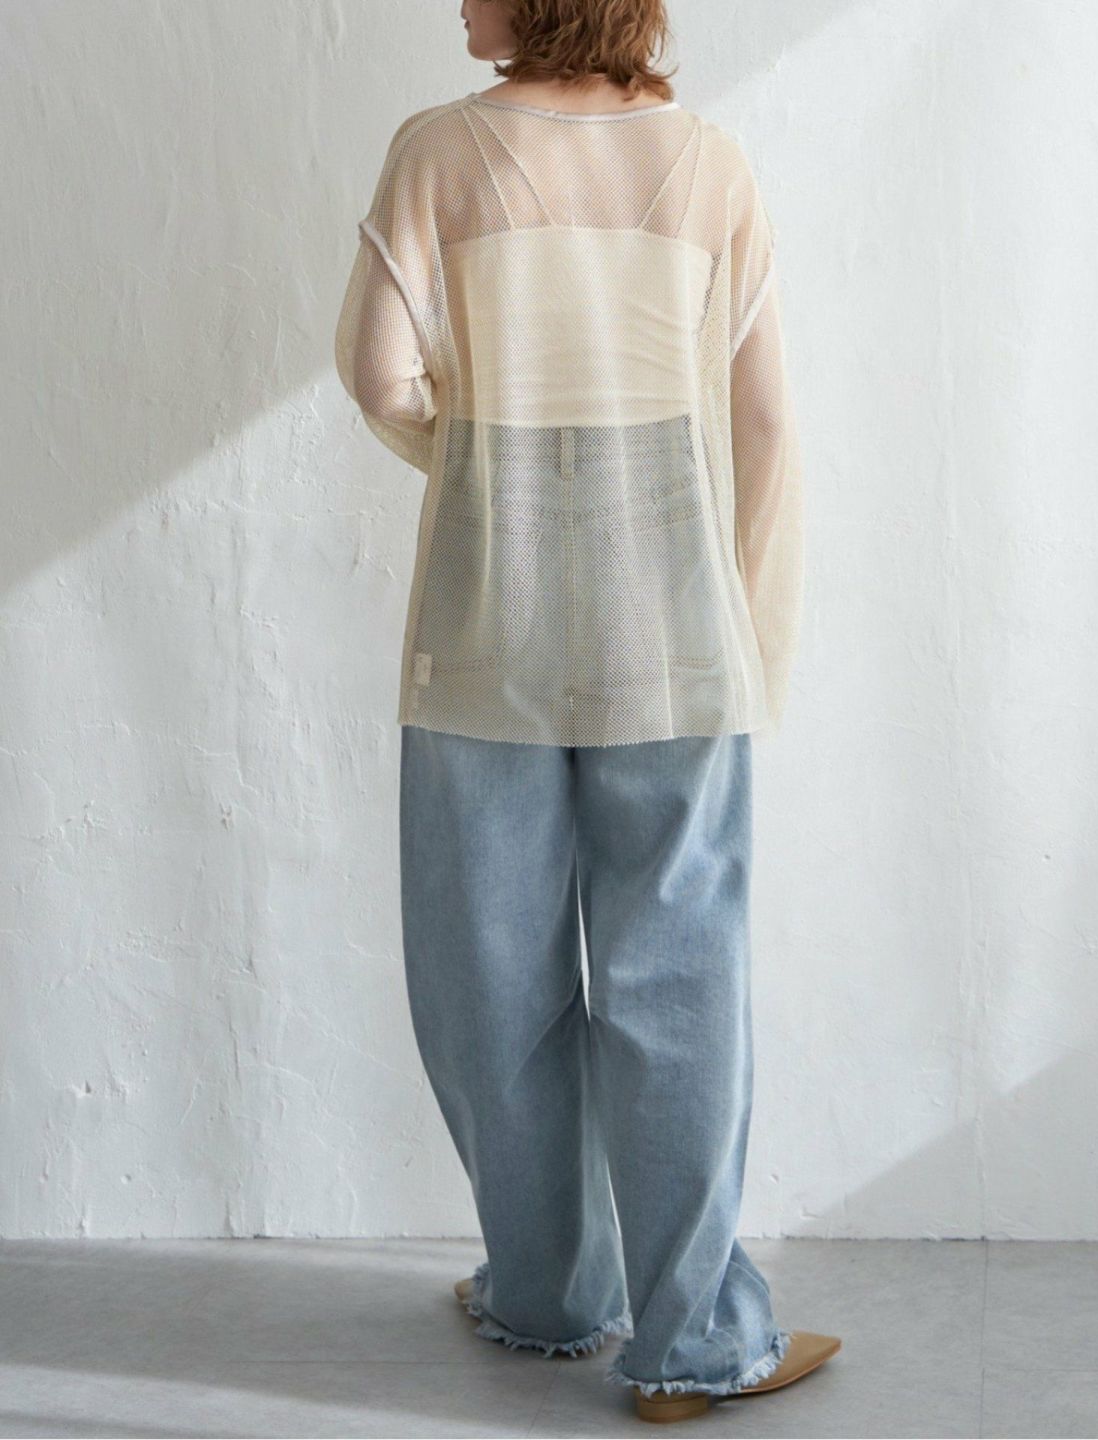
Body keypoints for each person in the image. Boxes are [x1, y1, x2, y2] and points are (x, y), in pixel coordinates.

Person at [334, 0, 840, 1423]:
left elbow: (377, 373)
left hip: (482, 637)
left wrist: (481, 463)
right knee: (679, 983)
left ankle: (550, 1292)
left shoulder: (439, 152)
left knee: (488, 980)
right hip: (672, 641)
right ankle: (695, 1343)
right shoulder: (709, 164)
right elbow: (764, 427)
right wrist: (750, 640)